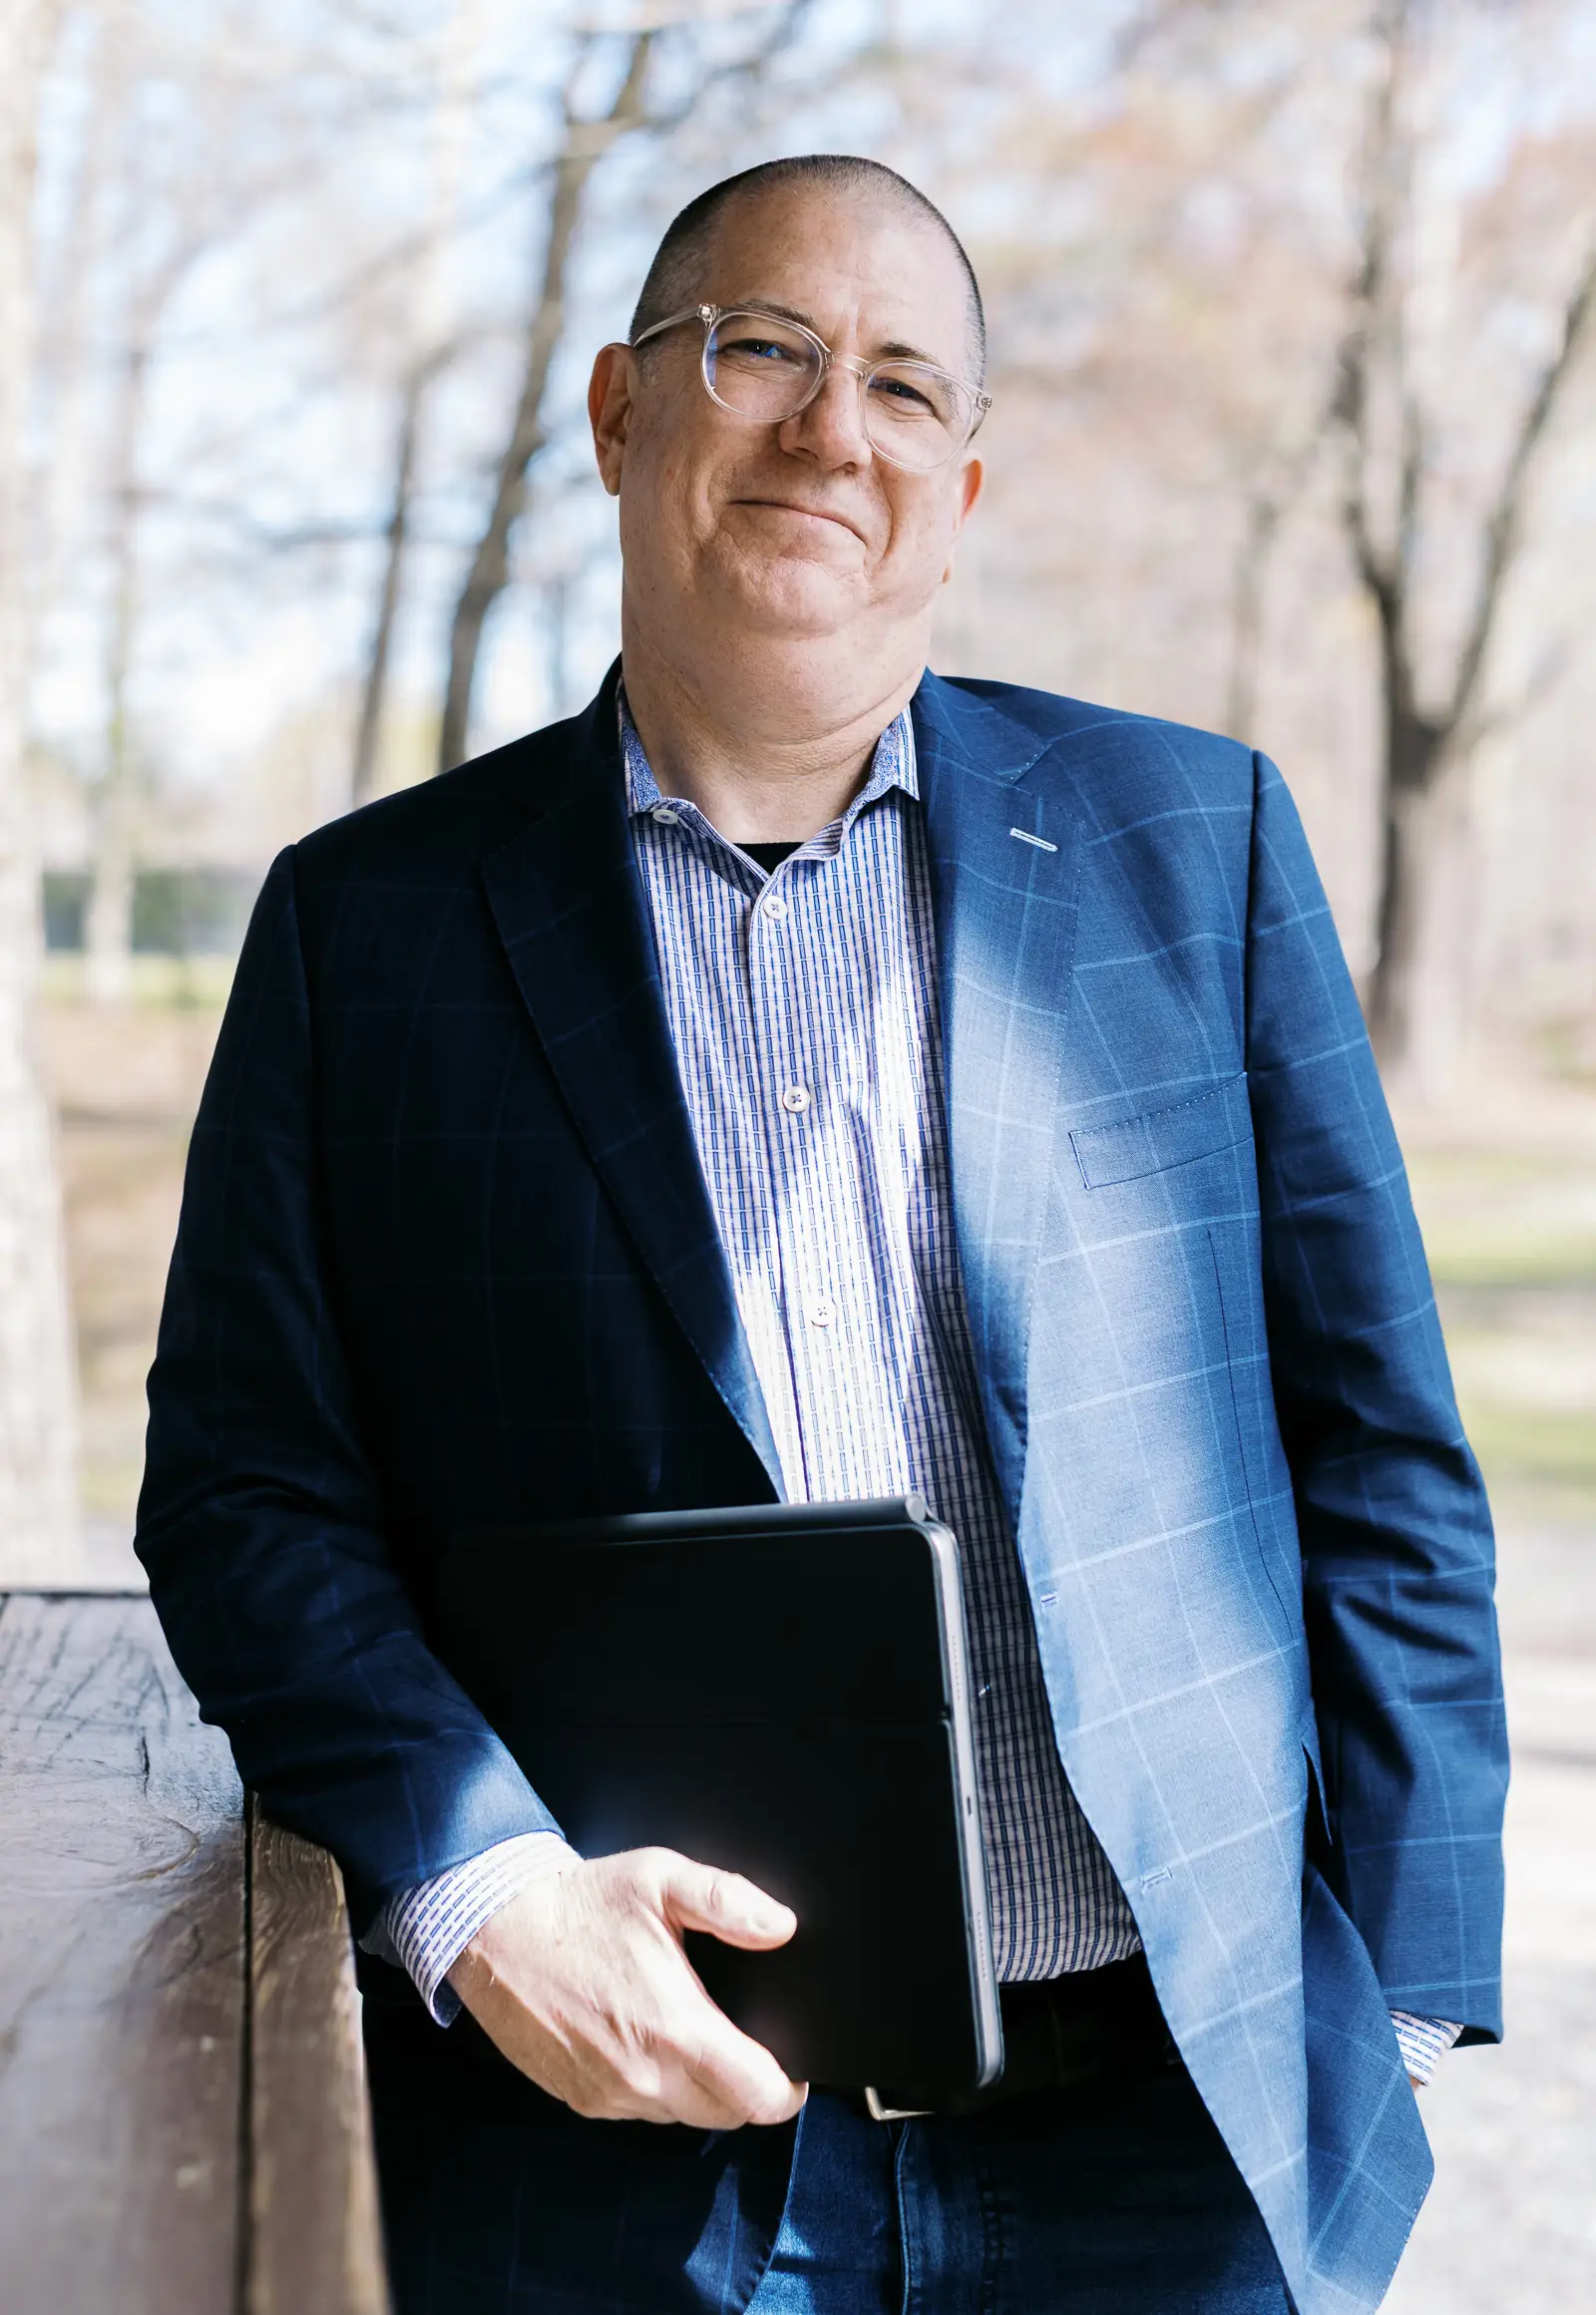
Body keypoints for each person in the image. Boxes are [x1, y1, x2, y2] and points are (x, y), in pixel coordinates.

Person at [136, 155, 1507, 2315]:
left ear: (958, 491)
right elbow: (246, 1492)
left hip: (1166, 2146)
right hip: (616, 2159)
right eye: (758, 347)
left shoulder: (1196, 843)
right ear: (616, 412)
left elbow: (1382, 1459)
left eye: (896, 383)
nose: (825, 426)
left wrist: (1404, 2006)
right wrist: (477, 1891)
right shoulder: (361, 926)